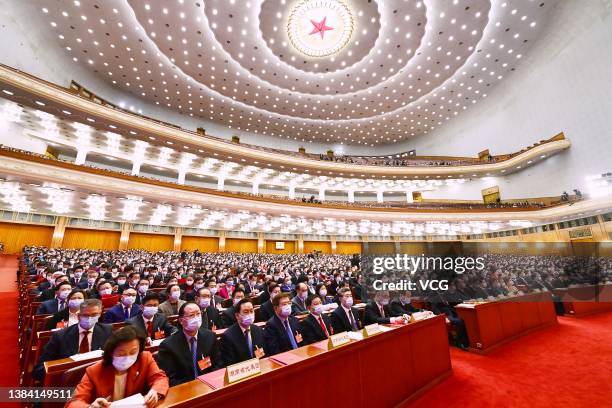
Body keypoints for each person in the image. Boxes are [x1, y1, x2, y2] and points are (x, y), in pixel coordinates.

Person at [66, 326, 169, 408]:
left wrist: (155, 391)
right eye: (121, 354)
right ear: (111, 352)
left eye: (133, 352)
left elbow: (160, 378)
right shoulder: (94, 371)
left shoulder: (144, 358)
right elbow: (73, 403)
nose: (127, 357)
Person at [34, 299, 111, 381]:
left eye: (94, 315)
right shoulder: (60, 336)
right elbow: (39, 369)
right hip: (68, 382)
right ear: (78, 316)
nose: (89, 318)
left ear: (99, 314)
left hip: (97, 379)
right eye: (85, 315)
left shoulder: (107, 331)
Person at [157, 302, 222, 386]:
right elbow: (169, 377)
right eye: (191, 315)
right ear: (181, 320)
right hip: (184, 389)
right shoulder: (168, 345)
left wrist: (210, 381)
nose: (196, 318)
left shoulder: (210, 336)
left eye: (198, 314)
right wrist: (192, 387)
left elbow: (218, 363)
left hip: (208, 385)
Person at [220, 298, 266, 366]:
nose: (250, 314)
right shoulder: (228, 336)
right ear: (237, 316)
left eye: (251, 311)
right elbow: (230, 363)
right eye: (246, 312)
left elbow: (264, 354)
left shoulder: (259, 331)